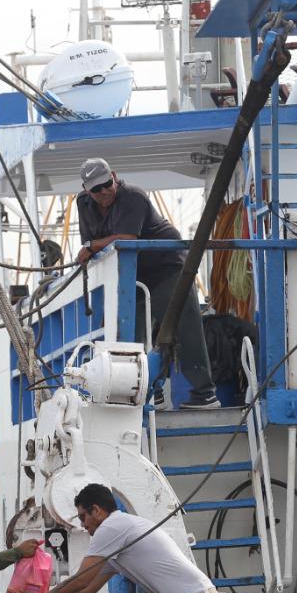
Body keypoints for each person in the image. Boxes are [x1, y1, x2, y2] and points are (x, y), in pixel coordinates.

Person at [75, 157, 218, 410]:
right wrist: (91, 247)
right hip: (133, 275)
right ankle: (151, 394)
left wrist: (91, 246)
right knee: (134, 337)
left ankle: (205, 395)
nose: (103, 191)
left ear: (114, 176)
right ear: (87, 190)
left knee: (184, 329)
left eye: (107, 183)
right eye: (96, 189)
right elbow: (93, 244)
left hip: (167, 267)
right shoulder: (84, 204)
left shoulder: (133, 196)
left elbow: (126, 238)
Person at [13, 483, 216, 593]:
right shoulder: (119, 534)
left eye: (84, 517)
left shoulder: (110, 528)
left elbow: (81, 580)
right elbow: (88, 591)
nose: (83, 525)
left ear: (97, 511)